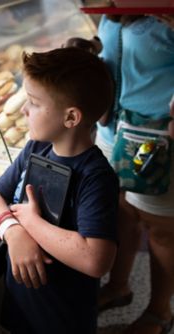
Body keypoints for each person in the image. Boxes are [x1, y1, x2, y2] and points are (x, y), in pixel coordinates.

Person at [0, 47, 118, 334]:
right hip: (21, 304)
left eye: (33, 102)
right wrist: (14, 231)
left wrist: (31, 222)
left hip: (63, 317)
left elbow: (96, 259)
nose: (23, 110)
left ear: (71, 118)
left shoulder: (95, 176)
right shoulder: (36, 148)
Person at [93, 13, 174, 334]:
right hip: (112, 132)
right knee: (121, 213)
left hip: (156, 143)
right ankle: (119, 286)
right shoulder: (112, 7)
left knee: (162, 232)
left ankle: (159, 312)